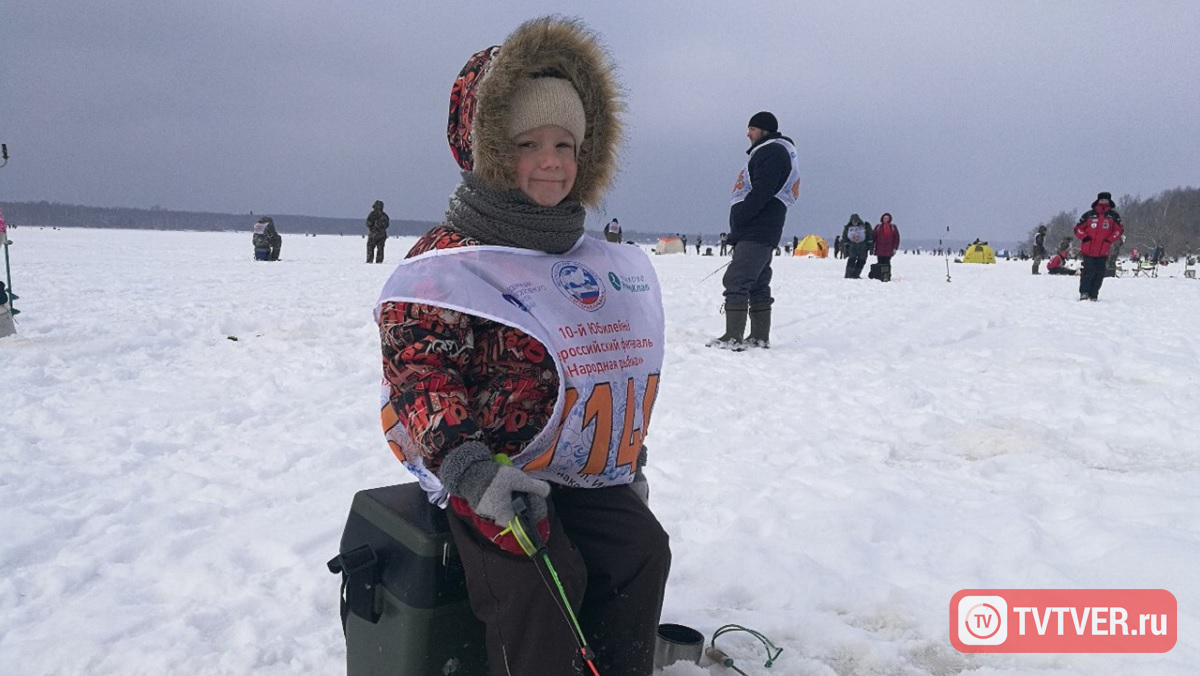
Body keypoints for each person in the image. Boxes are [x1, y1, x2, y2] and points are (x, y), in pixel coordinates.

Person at [375, 17, 670, 676]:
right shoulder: (449, 261)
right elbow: (419, 375)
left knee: (641, 548)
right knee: (543, 580)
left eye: (566, 144)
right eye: (529, 143)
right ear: (489, 150)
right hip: (488, 473)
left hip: (576, 467)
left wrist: (624, 454)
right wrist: (474, 471)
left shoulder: (589, 257)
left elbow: (606, 364)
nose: (550, 162)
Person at [709, 110, 800, 349]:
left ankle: (733, 337)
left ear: (764, 130)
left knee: (737, 280)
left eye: (752, 128)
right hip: (762, 230)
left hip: (757, 230)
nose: (747, 134)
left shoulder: (772, 151)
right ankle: (759, 337)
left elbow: (762, 191)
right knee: (758, 282)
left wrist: (741, 223)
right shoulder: (775, 152)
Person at [1074, 191, 1123, 300]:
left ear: (1109, 201)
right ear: (1097, 201)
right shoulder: (1089, 215)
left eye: (1105, 200)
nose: (1103, 202)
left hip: (1103, 250)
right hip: (1088, 250)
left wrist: (1109, 240)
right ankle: (1084, 293)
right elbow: (1078, 229)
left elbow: (1118, 230)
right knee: (1088, 271)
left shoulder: (1114, 216)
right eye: (1101, 200)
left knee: (1100, 273)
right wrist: (1085, 237)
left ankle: (1094, 294)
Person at [841, 213, 872, 278]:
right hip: (852, 247)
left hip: (862, 247)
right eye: (853, 221)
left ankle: (856, 274)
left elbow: (869, 237)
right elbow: (845, 238)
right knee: (851, 260)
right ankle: (849, 274)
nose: (854, 222)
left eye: (856, 221)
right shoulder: (848, 228)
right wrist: (846, 246)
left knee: (862, 260)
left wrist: (870, 246)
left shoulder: (864, 227)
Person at [872, 212, 900, 282]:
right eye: (885, 218)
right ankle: (879, 275)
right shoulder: (878, 227)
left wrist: (895, 248)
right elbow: (874, 237)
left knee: (887, 263)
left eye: (888, 218)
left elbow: (896, 238)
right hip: (879, 248)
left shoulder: (893, 227)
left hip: (889, 249)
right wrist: (872, 247)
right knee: (880, 262)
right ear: (882, 218)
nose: (886, 219)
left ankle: (886, 275)